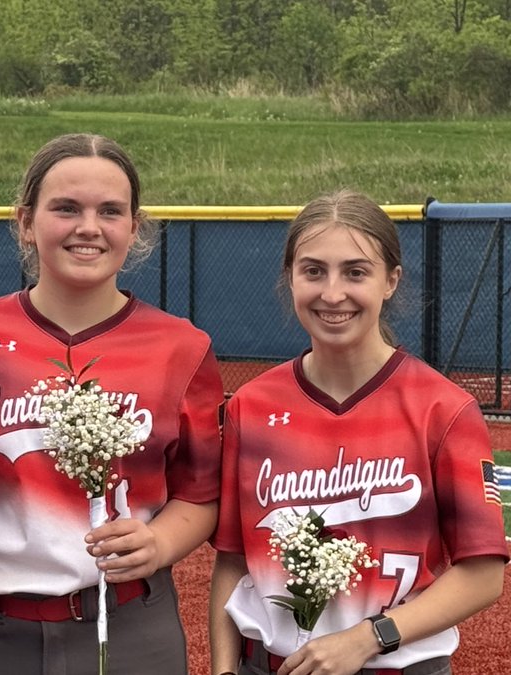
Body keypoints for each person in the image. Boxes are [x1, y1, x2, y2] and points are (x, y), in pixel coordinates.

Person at [0, 133, 224, 675]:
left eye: (110, 211)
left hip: (129, 630)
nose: (88, 227)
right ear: (26, 221)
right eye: (66, 208)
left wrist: (159, 541)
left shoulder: (182, 347)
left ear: (134, 228)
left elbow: (201, 494)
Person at [209, 190, 507, 675]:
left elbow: (483, 574)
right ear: (290, 278)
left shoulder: (443, 409)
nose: (332, 293)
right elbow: (233, 562)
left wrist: (370, 637)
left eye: (355, 271)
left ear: (390, 281)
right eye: (313, 271)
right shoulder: (249, 407)